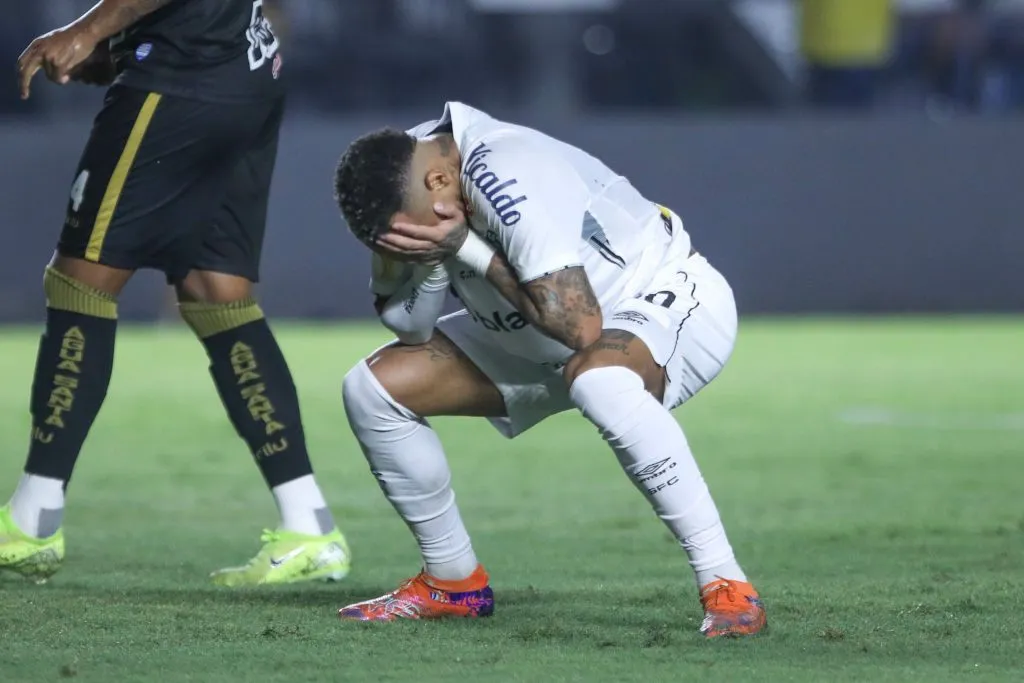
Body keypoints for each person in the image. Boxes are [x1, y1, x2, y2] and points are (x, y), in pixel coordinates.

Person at [331, 102, 766, 638]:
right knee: (372, 389)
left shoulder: (506, 169)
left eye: (415, 235)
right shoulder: (408, 180)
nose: (415, 242)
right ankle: (453, 584)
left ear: (442, 177)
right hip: (532, 335)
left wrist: (464, 246)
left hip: (658, 302)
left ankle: (728, 587)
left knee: (599, 377)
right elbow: (411, 328)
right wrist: (431, 262)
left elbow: (581, 326)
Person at [0, 0, 350, 586]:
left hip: (182, 81)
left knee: (80, 281)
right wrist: (124, 44)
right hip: (249, 70)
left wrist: (86, 32)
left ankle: (33, 521)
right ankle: (310, 525)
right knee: (218, 296)